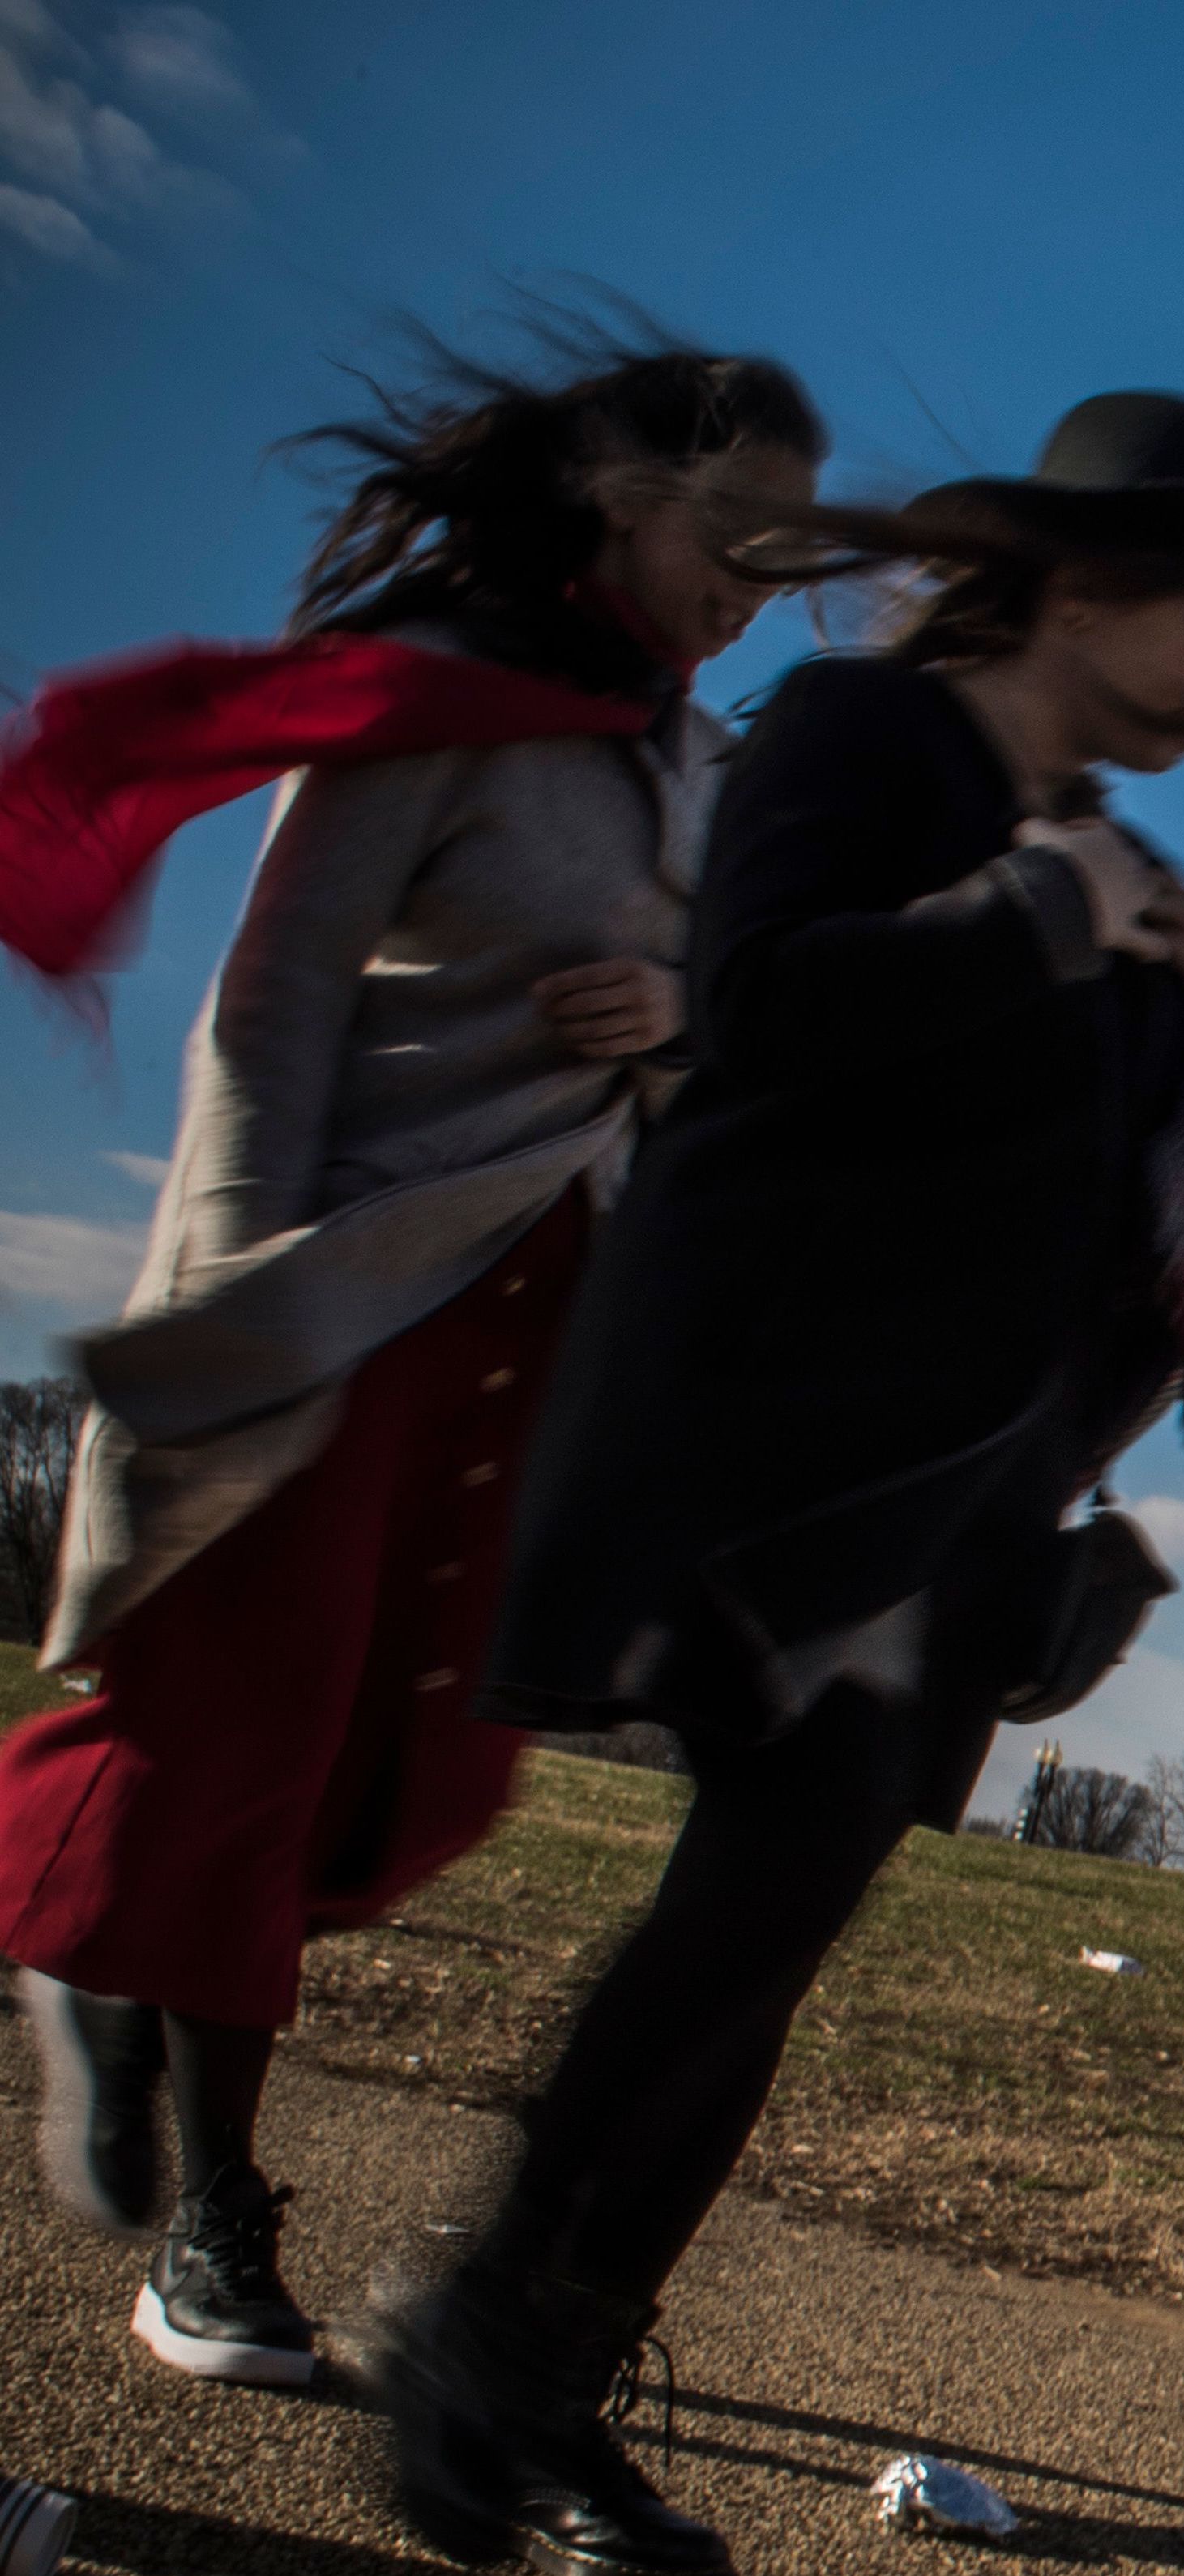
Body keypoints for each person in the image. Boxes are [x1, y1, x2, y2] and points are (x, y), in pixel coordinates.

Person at [378, 392, 1184, 2576]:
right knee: (737, 1931)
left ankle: (532, 2369)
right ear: (1076, 582)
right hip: (766, 1439)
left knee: (758, 1943)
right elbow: (760, 1011)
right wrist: (1047, 908)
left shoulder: (1118, 871)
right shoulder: (863, 737)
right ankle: (496, 2357)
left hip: (948, 1498)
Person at [0, 327, 826, 2386]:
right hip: (350, 1296)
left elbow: (722, 1050)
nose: (760, 579)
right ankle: (216, 2218)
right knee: (257, 1744)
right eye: (735, 533)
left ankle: (99, 1950)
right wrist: (240, 1314)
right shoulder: (423, 720)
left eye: (793, 552)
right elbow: (266, 1019)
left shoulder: (706, 773)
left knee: (424, 1776)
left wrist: (683, 1014)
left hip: (552, 1328)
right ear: (615, 497)